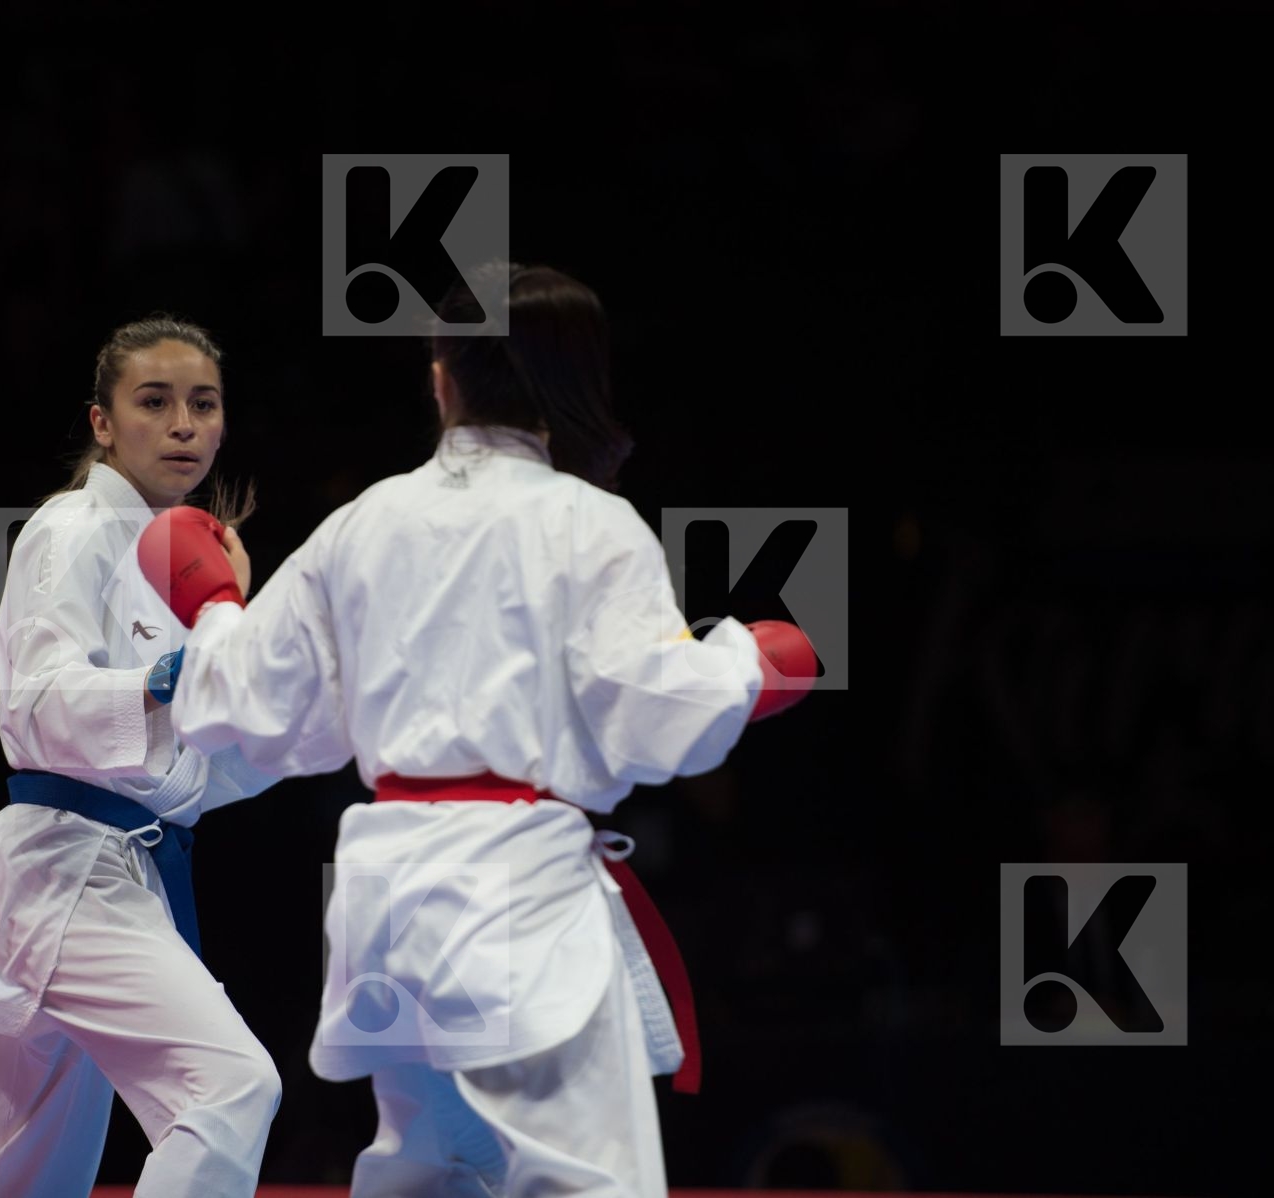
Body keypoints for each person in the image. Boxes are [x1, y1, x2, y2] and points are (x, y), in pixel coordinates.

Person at [137, 263, 818, 1197]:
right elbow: (658, 715)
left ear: (441, 378)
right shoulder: (589, 523)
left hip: (388, 902)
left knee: (432, 1173)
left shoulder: (364, 523)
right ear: (574, 384)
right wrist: (749, 665)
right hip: (515, 892)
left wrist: (215, 606)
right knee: (586, 1184)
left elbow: (241, 706)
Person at [0, 316, 284, 1197]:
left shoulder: (188, 554)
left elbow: (205, 769)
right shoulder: (74, 526)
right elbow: (37, 702)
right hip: (68, 862)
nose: (183, 424)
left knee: (31, 1173)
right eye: (153, 402)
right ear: (102, 423)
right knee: (232, 1086)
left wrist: (249, 659)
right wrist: (171, 674)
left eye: (204, 404)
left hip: (119, 869)